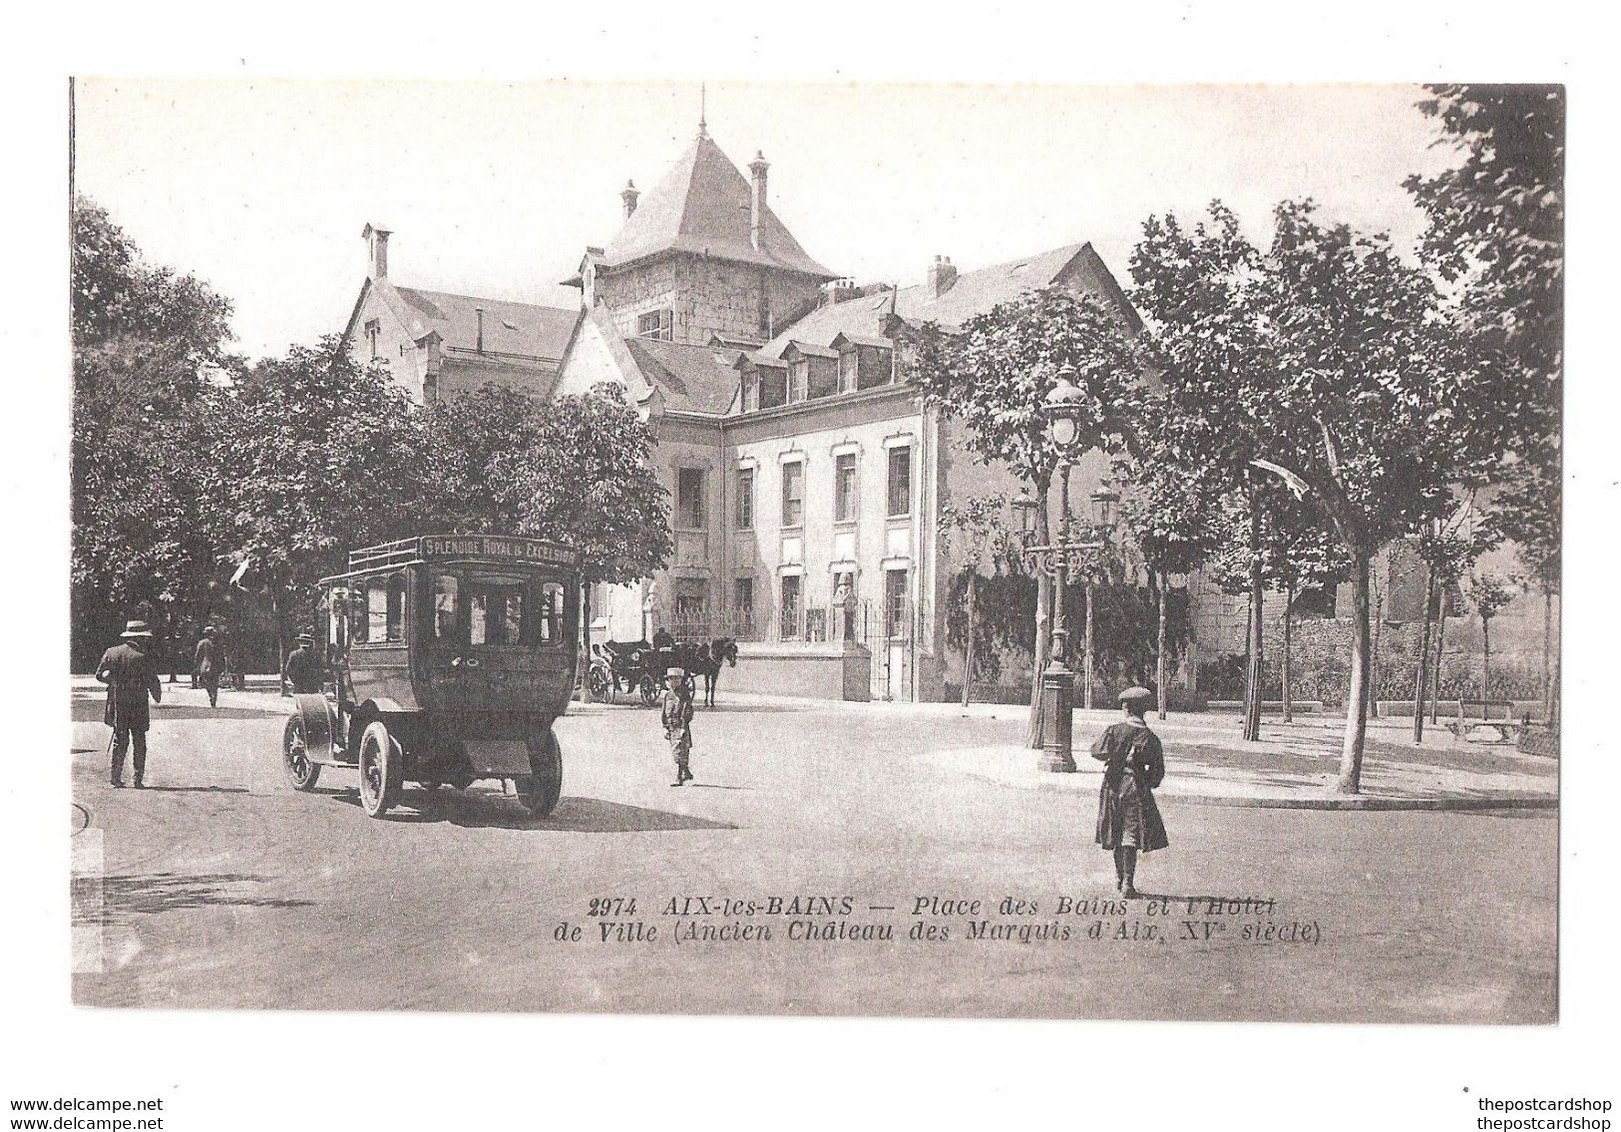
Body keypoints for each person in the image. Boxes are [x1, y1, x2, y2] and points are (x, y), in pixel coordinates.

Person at [1091, 686, 1169, 898]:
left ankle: (1119, 878)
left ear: (1126, 709)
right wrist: (1145, 781)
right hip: (1135, 788)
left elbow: (1096, 751)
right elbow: (1157, 774)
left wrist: (1115, 757)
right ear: (1144, 711)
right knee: (1130, 835)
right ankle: (1127, 883)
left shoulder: (1114, 730)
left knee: (1115, 832)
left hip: (1112, 785)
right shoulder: (1150, 738)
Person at [96, 620, 164, 789]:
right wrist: (157, 695)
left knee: (120, 738)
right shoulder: (144, 656)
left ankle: (115, 777)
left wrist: (114, 682)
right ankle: (137, 779)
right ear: (140, 638)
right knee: (139, 740)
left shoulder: (111, 652)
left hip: (117, 701)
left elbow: (99, 675)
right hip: (138, 703)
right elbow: (152, 680)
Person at [661, 665, 695, 786]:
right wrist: (665, 727)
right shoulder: (668, 695)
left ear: (681, 680)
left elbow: (687, 710)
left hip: (681, 726)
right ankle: (686, 772)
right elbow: (664, 712)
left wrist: (683, 727)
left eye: (676, 679)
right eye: (671, 679)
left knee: (681, 751)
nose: (673, 682)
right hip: (671, 727)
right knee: (676, 753)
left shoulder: (684, 694)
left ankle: (679, 777)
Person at [193, 625, 224, 707]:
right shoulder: (218, 643)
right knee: (215, 683)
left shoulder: (202, 643)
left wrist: (197, 665)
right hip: (215, 665)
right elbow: (221, 655)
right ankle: (214, 698)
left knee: (207, 683)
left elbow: (197, 655)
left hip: (205, 665)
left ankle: (211, 695)